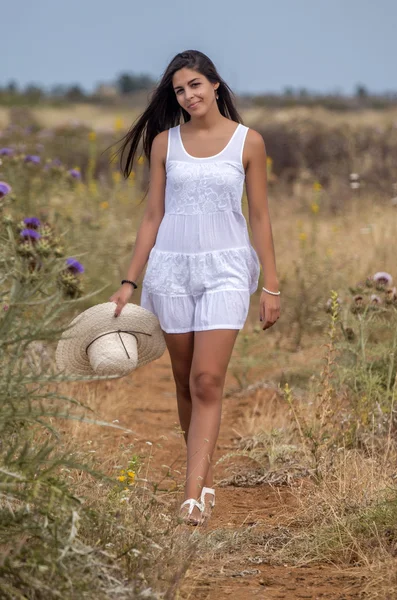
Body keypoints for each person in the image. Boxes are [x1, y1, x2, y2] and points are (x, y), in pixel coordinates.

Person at [109, 49, 280, 526]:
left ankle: (190, 497)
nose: (188, 96)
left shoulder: (249, 143)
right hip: (170, 271)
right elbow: (152, 216)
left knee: (207, 380)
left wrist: (272, 285)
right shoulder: (165, 143)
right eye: (180, 90)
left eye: (195, 86)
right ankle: (201, 478)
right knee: (185, 381)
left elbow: (261, 217)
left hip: (227, 269)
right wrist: (129, 281)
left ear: (216, 85)